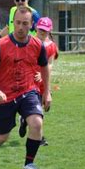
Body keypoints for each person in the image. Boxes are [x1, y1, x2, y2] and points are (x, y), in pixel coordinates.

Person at [0, 6, 51, 169]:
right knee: (1, 137)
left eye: (25, 23)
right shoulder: (1, 45)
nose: (20, 27)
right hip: (4, 96)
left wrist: (47, 92)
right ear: (13, 24)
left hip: (28, 91)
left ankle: (28, 165)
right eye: (17, 23)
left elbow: (45, 67)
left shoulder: (38, 45)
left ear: (32, 24)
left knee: (37, 123)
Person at [19, 17, 59, 146]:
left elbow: (50, 64)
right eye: (41, 29)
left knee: (42, 107)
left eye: (46, 30)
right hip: (30, 81)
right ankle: (39, 137)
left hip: (43, 81)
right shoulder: (29, 41)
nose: (43, 32)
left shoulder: (51, 46)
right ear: (36, 27)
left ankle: (24, 120)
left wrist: (43, 74)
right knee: (37, 111)